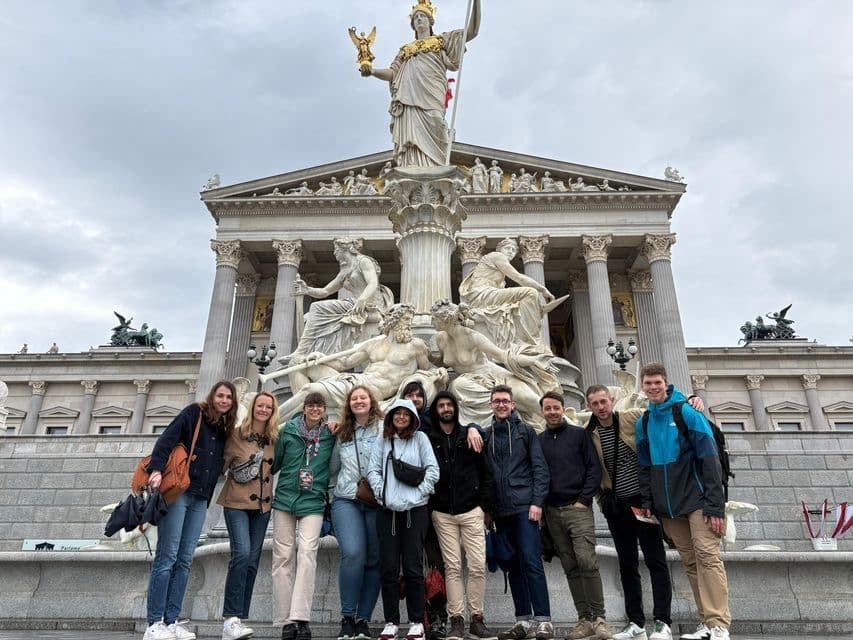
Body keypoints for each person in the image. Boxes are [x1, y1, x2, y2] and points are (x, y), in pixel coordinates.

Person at [585, 385, 702, 640]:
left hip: (643, 502)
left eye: (603, 401)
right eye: (594, 404)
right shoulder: (589, 432)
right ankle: (636, 623)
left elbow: (662, 408)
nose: (600, 407)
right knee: (626, 564)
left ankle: (662, 621)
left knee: (655, 560)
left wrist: (689, 400)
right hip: (615, 507)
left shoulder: (632, 416)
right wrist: (601, 499)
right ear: (589, 406)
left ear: (612, 400)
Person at [636, 363, 731, 640]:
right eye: (648, 383)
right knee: (690, 561)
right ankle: (706, 622)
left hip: (697, 499)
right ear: (642, 387)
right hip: (668, 506)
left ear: (666, 383)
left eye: (657, 382)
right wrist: (648, 501)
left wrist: (715, 505)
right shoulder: (644, 422)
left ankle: (719, 624)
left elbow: (710, 459)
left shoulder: (687, 412)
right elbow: (644, 465)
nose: (653, 387)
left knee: (708, 557)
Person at [143, 381, 239, 640]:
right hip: (178, 494)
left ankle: (172, 621)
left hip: (200, 499)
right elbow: (166, 440)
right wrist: (155, 470)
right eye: (220, 395)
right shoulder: (194, 413)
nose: (224, 400)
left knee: (185, 560)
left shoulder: (224, 428)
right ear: (213, 396)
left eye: (228, 397)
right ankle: (154, 623)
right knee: (167, 557)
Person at [364, 0, 481, 167]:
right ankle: (412, 166)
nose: (419, 19)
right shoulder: (405, 50)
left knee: (436, 122)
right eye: (415, 18)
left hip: (432, 92)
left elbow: (472, 31)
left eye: (422, 16)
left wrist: (476, 3)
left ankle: (438, 167)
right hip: (408, 98)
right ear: (412, 25)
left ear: (430, 21)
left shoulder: (441, 41)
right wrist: (373, 71)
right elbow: (392, 73)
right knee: (412, 137)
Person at [482, 385, 552, 640]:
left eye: (505, 401)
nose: (501, 405)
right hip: (501, 511)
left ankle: (544, 620)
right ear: (491, 405)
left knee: (531, 561)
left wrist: (537, 502)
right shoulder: (486, 435)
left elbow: (540, 469)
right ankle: (522, 619)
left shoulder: (525, 432)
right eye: (497, 401)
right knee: (511, 565)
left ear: (512, 405)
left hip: (525, 507)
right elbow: (485, 476)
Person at [537, 391, 609, 640]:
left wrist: (583, 500)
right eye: (548, 408)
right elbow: (539, 475)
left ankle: (600, 619)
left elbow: (593, 468)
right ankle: (584, 619)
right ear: (542, 412)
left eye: (556, 407)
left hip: (577, 509)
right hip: (552, 512)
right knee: (570, 566)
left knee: (586, 560)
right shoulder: (539, 440)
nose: (552, 412)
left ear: (563, 409)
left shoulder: (579, 435)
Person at [367, 398, 439, 640]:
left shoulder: (421, 439)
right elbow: (373, 471)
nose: (400, 417)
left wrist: (417, 496)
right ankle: (391, 621)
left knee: (412, 567)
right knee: (388, 567)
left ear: (412, 417)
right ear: (390, 417)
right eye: (396, 413)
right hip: (387, 511)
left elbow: (432, 470)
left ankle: (416, 621)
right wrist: (381, 493)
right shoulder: (383, 440)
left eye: (405, 414)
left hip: (414, 512)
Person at [427, 391, 496, 640]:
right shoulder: (429, 438)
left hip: (471, 510)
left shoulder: (470, 434)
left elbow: (486, 472)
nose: (446, 408)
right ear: (435, 411)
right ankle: (456, 620)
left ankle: (477, 618)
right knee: (452, 567)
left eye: (449, 404)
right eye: (441, 405)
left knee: (477, 565)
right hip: (442, 512)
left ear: (455, 408)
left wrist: (483, 507)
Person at [271, 392, 336, 640]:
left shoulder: (331, 433)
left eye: (319, 406)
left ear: (324, 409)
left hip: (313, 501)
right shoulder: (288, 431)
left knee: (308, 553)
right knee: (282, 557)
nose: (315, 409)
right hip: (285, 499)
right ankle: (286, 620)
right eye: (311, 405)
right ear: (304, 408)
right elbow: (274, 462)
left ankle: (301, 617)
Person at [218, 391, 280, 640]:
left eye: (269, 406)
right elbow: (218, 465)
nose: (264, 409)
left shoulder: (275, 438)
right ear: (253, 407)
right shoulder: (235, 434)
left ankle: (238, 619)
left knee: (252, 562)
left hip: (263, 508)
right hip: (236, 503)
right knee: (241, 554)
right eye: (260, 405)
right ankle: (230, 618)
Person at [328, 385, 385, 640]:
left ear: (371, 401)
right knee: (352, 553)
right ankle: (347, 616)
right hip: (346, 498)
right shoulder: (341, 432)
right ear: (349, 404)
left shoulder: (385, 429)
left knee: (374, 559)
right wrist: (328, 497)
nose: (359, 401)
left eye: (363, 397)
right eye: (354, 398)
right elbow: (332, 469)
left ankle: (364, 619)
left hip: (377, 500)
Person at [458, 238, 556, 351]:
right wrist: (542, 289)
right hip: (482, 294)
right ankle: (530, 339)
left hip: (488, 295)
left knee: (518, 304)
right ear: (500, 249)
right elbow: (517, 277)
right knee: (530, 292)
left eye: (514, 250)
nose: (511, 251)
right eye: (507, 248)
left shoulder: (498, 274)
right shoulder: (497, 256)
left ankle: (524, 336)